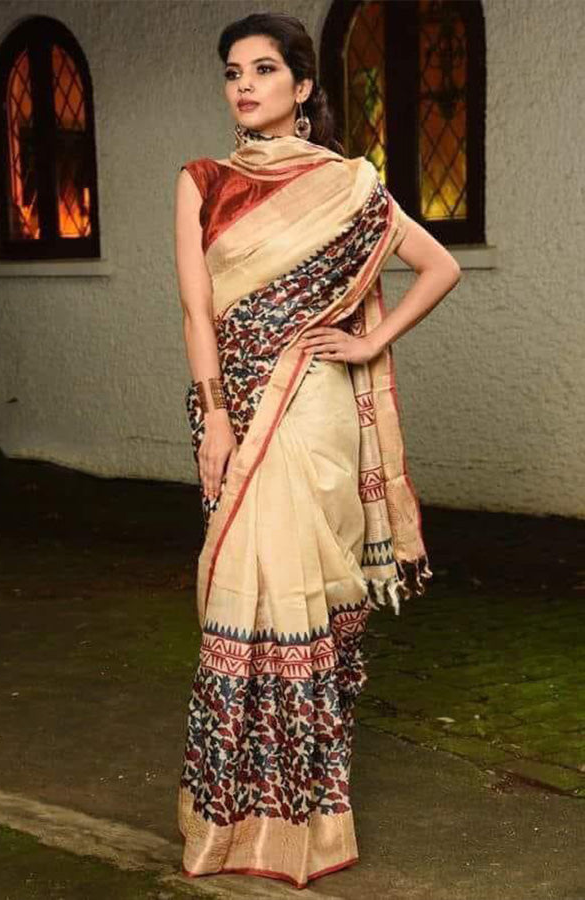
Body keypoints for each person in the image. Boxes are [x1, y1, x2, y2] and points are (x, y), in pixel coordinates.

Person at [173, 11, 461, 891]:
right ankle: (233, 822)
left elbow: (439, 265)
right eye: (233, 72)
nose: (245, 85)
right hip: (239, 410)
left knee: (298, 592)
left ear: (302, 87)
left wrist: (370, 341)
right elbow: (197, 312)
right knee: (241, 590)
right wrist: (216, 416)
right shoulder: (202, 181)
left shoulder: (349, 187)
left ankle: (305, 824)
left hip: (314, 411)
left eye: (264, 70)